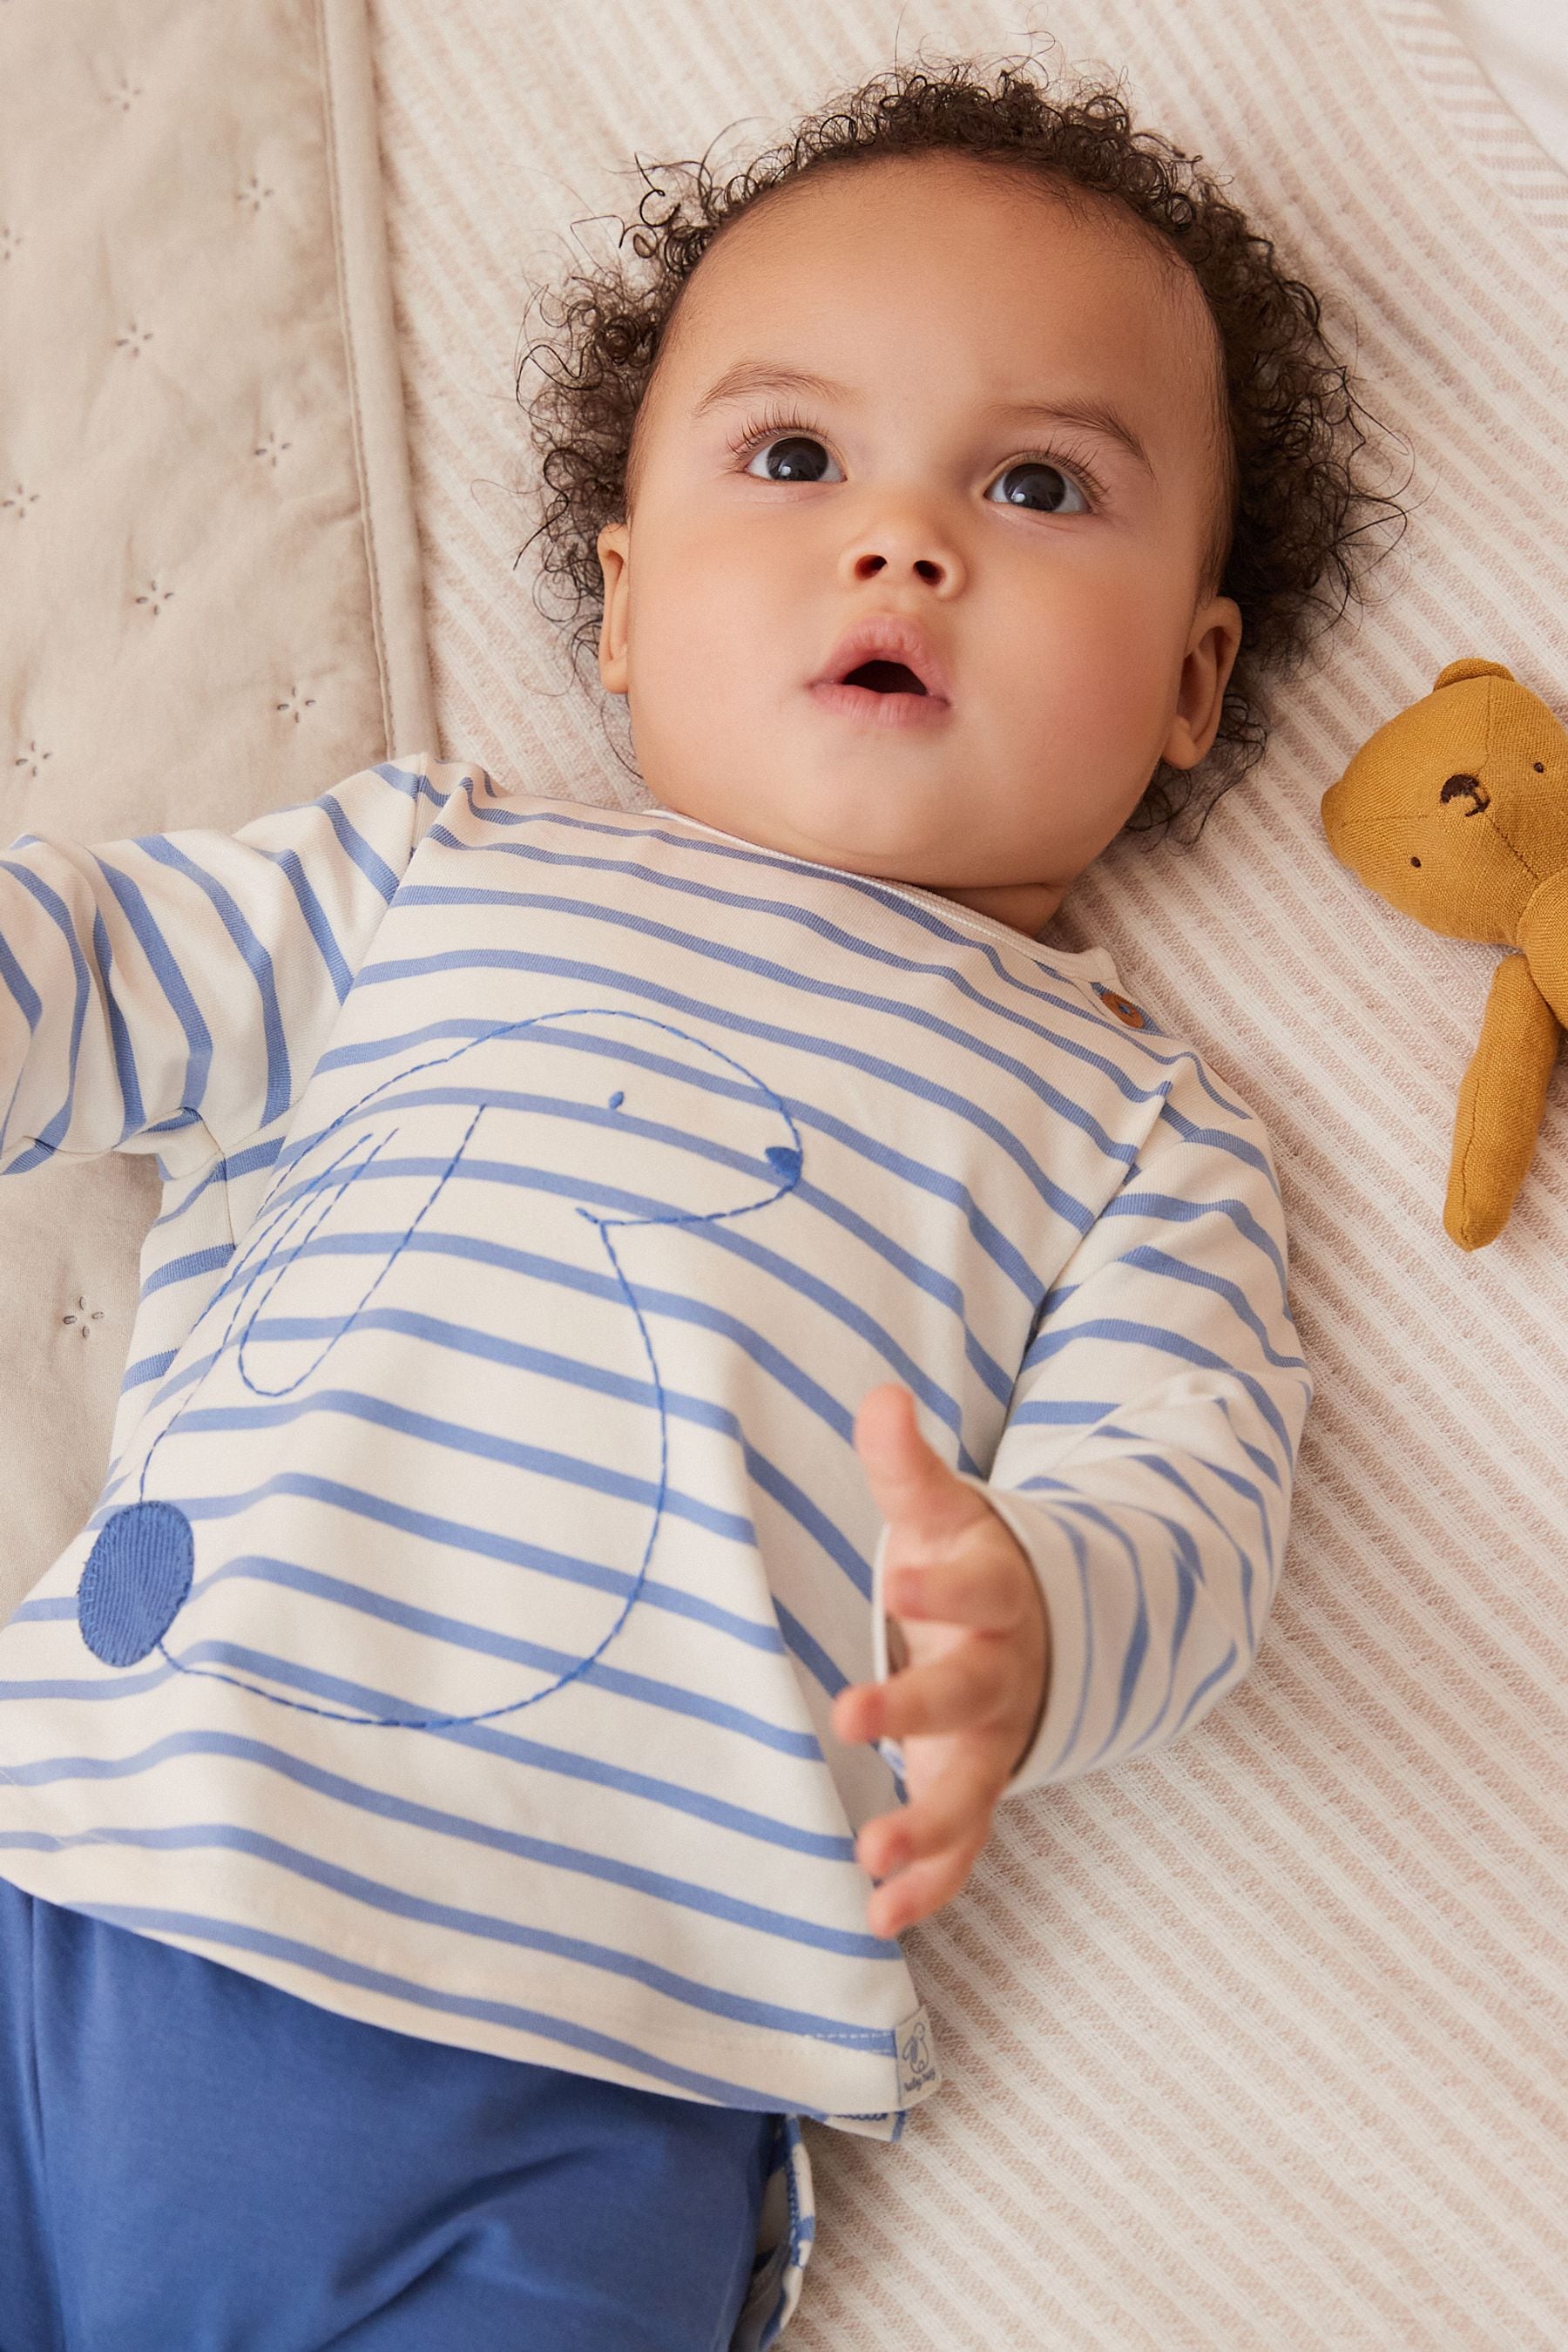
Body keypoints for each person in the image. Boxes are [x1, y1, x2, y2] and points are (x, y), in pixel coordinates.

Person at [0, 53, 1400, 2352]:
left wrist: (1035, 1611)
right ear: (628, 600)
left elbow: (1197, 1501)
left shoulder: (1137, 1122)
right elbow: (96, 974)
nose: (904, 540)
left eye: (1039, 483)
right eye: (794, 456)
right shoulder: (422, 865)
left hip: (589, 2093)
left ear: (1193, 674)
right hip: (87, 1885)